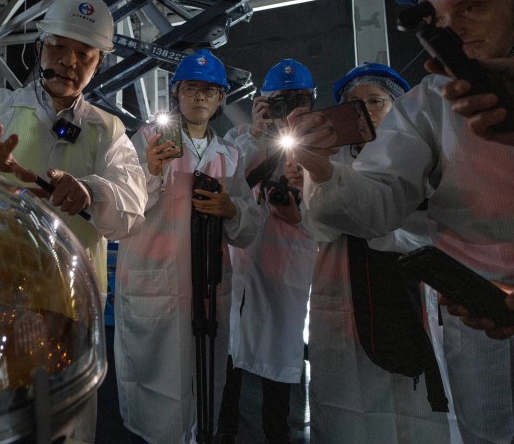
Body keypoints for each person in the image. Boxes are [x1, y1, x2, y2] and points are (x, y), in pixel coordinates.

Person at [289, 0, 514, 443]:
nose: (454, 28)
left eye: (473, 6)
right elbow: (379, 204)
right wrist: (321, 167)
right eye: (438, 17)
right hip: (479, 314)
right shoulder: (429, 104)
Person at [0, 0, 147, 443]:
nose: (70, 62)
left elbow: (132, 208)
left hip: (64, 306)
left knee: (64, 426)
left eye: (85, 54)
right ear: (40, 47)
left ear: (98, 64)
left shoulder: (107, 130)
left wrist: (89, 191)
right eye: (59, 47)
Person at [114, 50, 264, 444]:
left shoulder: (230, 155)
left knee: (205, 388)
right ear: (177, 94)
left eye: (209, 91)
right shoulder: (147, 140)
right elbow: (121, 207)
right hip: (156, 284)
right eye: (191, 89)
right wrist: (150, 171)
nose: (200, 97)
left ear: (220, 100)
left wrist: (230, 208)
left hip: (209, 287)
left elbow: (247, 229)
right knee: (158, 400)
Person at [305, 62, 458, 443]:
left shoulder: (422, 159)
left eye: (376, 101)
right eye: (354, 105)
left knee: (416, 412)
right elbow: (318, 227)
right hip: (342, 292)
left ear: (399, 109)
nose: (366, 112)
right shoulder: (327, 160)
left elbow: (424, 230)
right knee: (350, 410)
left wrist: (364, 220)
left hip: (408, 293)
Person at [216, 59, 319, 444]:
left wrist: (300, 210)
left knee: (279, 360)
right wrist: (256, 133)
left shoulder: (322, 145)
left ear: (311, 101)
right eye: (278, 102)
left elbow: (334, 210)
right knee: (231, 357)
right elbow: (226, 179)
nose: (289, 110)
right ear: (261, 102)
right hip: (242, 264)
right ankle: (224, 431)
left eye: (297, 100)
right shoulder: (243, 136)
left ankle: (277, 434)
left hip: (287, 272)